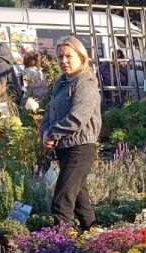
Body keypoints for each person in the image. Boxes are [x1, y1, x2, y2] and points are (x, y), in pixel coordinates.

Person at [39, 36, 101, 229]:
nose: (63, 61)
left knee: (62, 201)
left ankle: (61, 242)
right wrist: (45, 131)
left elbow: (77, 118)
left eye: (68, 56)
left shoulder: (85, 83)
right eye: (60, 57)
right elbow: (50, 111)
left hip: (80, 148)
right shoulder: (62, 82)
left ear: (81, 57)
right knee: (80, 199)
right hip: (65, 147)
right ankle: (94, 235)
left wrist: (53, 133)